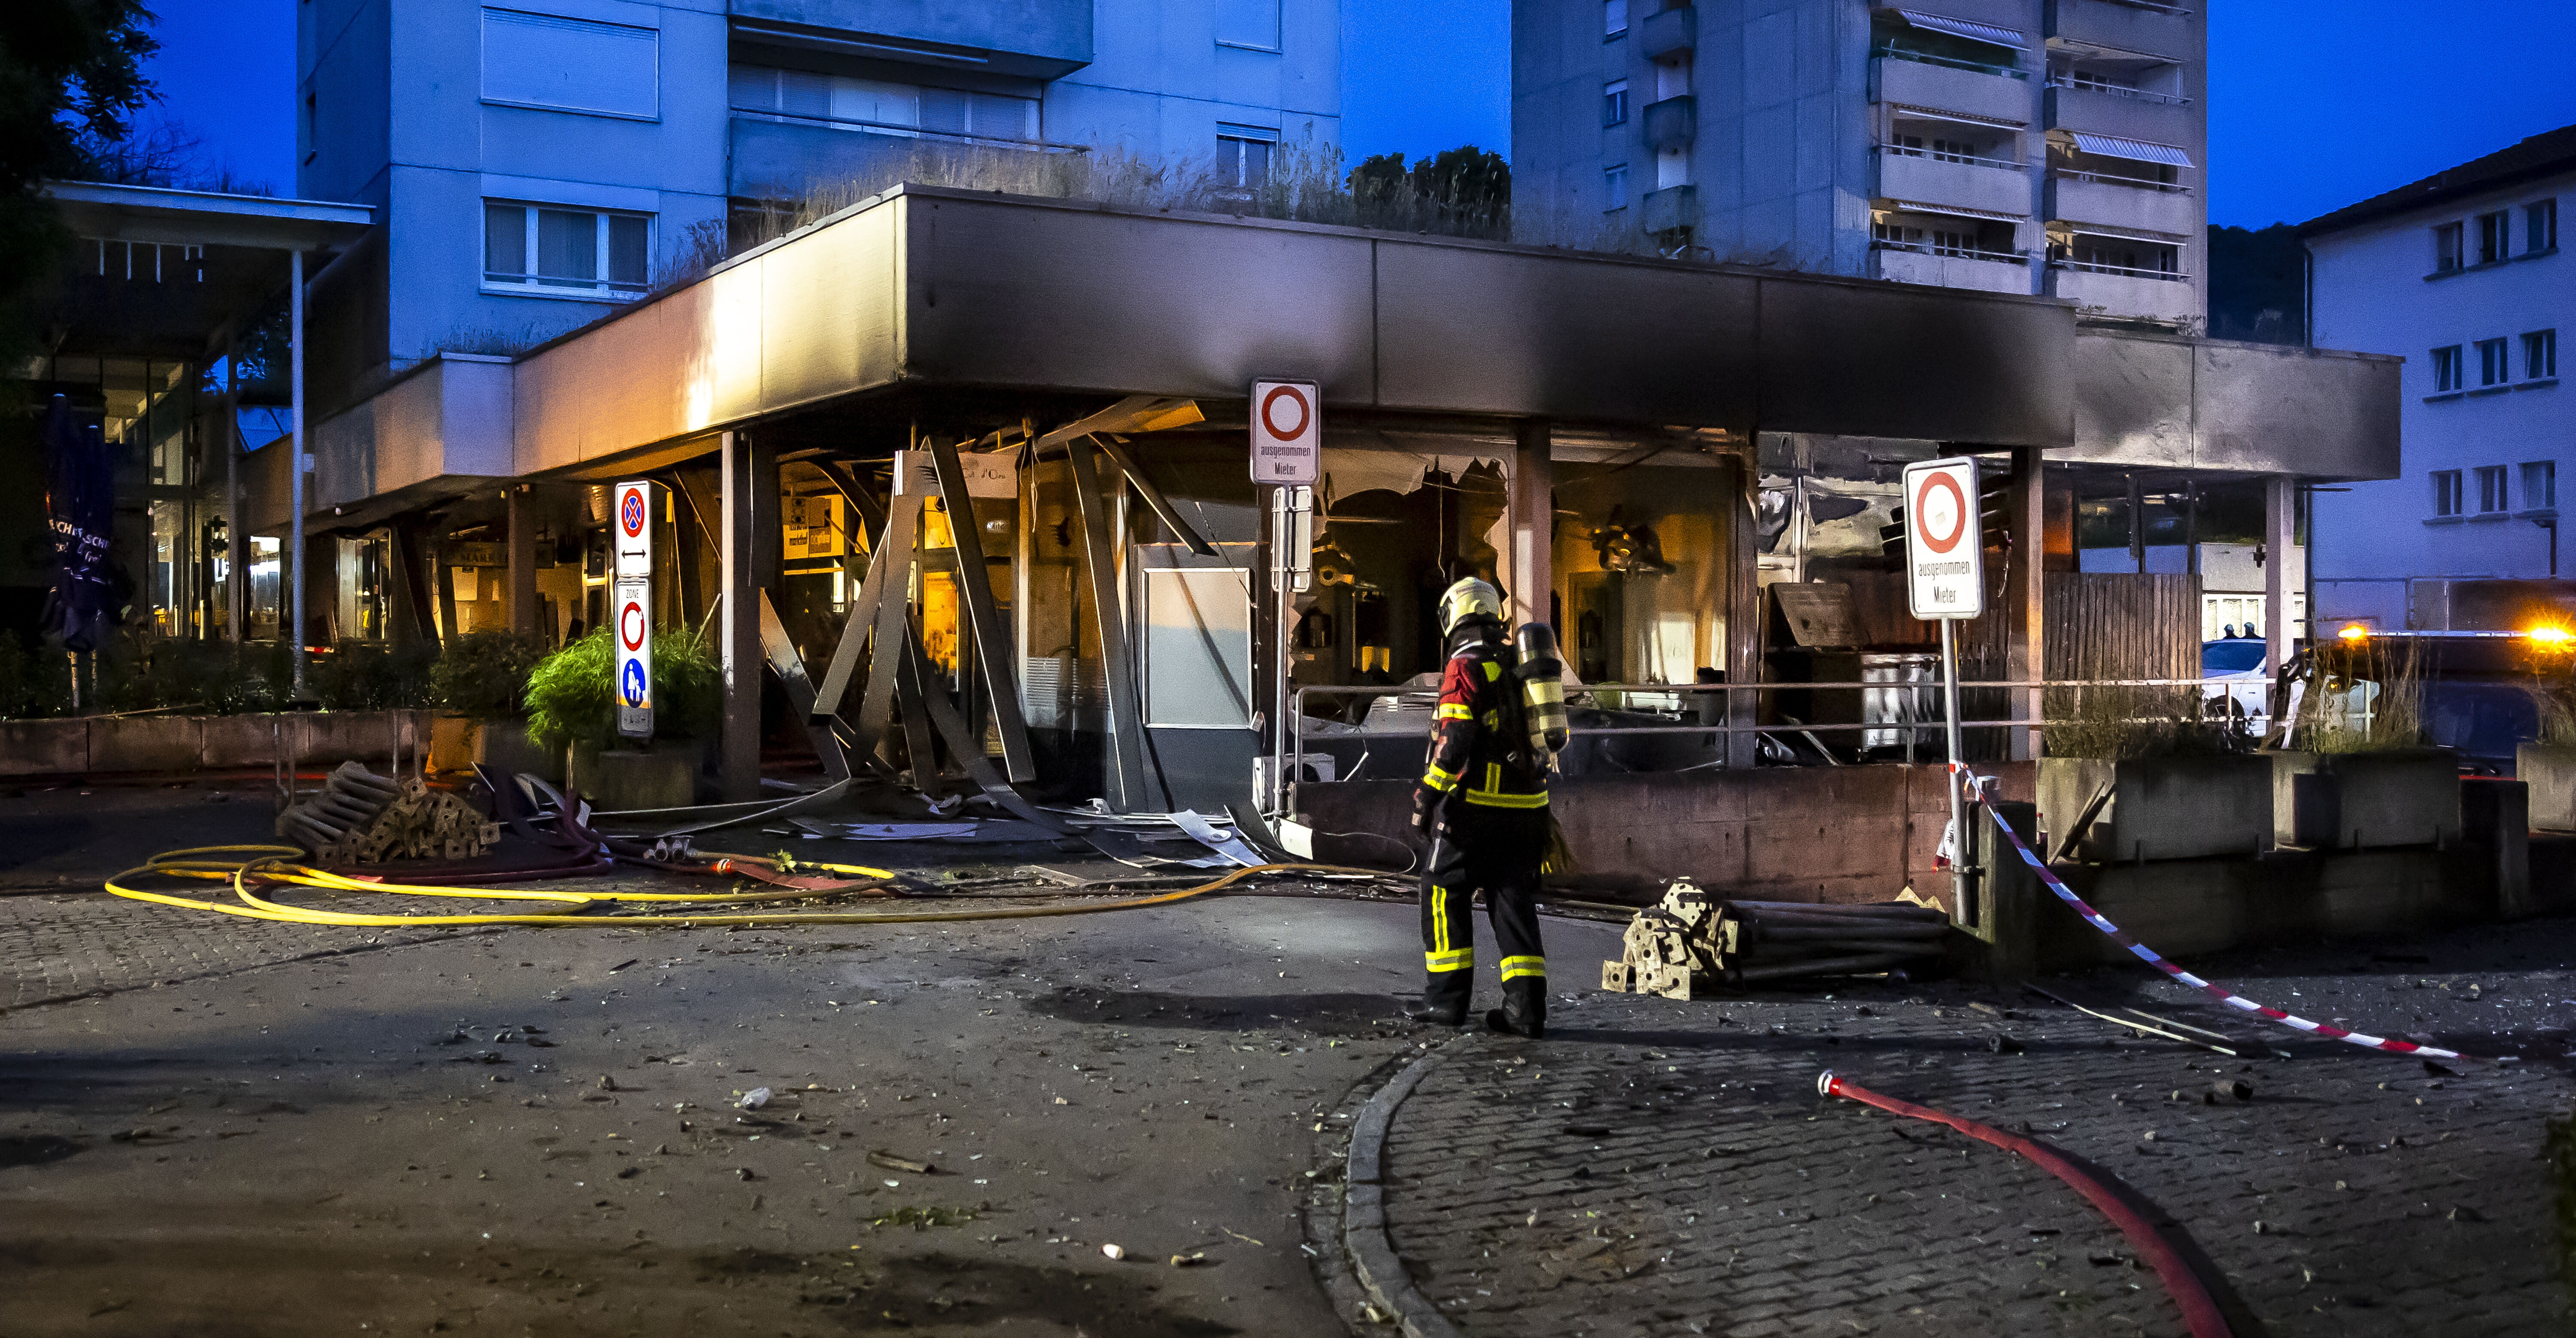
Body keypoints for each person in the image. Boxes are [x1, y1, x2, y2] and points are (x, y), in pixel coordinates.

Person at [1405, 577, 1552, 1038]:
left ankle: (1445, 1001)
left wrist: (1426, 797)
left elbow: (1455, 742)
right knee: (1513, 901)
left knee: (1441, 888)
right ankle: (1526, 1011)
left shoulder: (1465, 667)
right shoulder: (1518, 662)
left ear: (1453, 616)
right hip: (1532, 810)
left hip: (1476, 811)